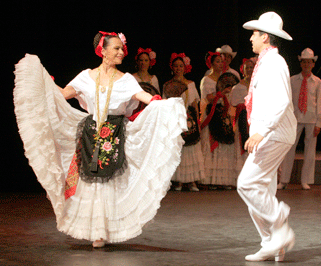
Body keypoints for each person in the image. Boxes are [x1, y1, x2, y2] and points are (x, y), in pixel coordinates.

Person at [13, 31, 187, 248]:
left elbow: (145, 98)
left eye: (121, 49)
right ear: (102, 51)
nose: (121, 52)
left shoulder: (126, 80)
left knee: (110, 181)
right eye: (116, 48)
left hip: (115, 132)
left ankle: (107, 231)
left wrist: (162, 104)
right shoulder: (85, 76)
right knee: (92, 183)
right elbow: (63, 94)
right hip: (91, 132)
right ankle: (96, 231)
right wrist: (43, 82)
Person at [236, 12, 297, 262]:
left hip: (274, 134)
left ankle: (280, 225)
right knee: (260, 192)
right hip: (269, 133)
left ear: (265, 37)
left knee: (247, 184)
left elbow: (282, 100)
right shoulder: (265, 61)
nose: (251, 38)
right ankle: (273, 243)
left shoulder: (275, 62)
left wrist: (262, 132)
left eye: (254, 33)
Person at [279, 48, 321, 190]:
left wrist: (319, 123)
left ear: (313, 64)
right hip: (295, 118)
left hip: (311, 118)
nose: (306, 64)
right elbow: (287, 100)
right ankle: (284, 180)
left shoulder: (317, 81)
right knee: (289, 148)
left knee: (310, 150)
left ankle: (306, 180)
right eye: (304, 62)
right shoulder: (293, 80)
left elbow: (320, 103)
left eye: (309, 62)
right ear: (300, 63)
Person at [163, 53, 204, 191]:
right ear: (172, 67)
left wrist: (197, 122)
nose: (178, 68)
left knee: (191, 148)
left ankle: (192, 181)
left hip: (189, 119)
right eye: (176, 66)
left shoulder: (191, 84)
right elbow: (165, 104)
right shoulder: (167, 85)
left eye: (181, 66)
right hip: (174, 118)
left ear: (185, 67)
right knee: (178, 149)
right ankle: (178, 181)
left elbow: (194, 104)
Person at [231, 57, 256, 171]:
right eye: (247, 68)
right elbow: (233, 104)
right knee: (242, 144)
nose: (250, 70)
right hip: (242, 120)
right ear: (243, 70)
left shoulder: (258, 84)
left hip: (256, 119)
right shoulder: (238, 87)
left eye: (252, 67)